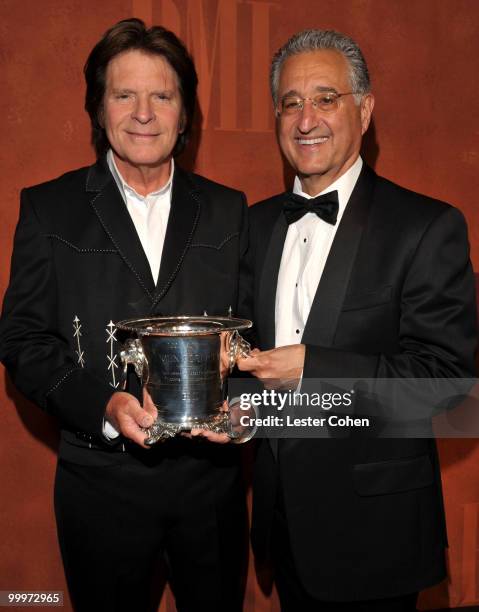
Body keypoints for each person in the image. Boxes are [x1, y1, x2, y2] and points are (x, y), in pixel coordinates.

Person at [0, 18, 250, 612]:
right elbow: (24, 340)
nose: (144, 112)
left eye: (162, 95)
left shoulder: (229, 211)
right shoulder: (49, 208)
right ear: (98, 109)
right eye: (124, 94)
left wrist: (246, 404)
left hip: (211, 486)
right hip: (99, 485)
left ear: (185, 113)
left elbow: (253, 335)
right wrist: (104, 405)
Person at [238, 29, 477, 611]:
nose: (305, 119)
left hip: (377, 534)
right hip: (283, 526)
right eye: (290, 103)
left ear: (364, 111)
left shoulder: (426, 226)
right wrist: (237, 412)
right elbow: (250, 362)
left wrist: (316, 370)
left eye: (325, 98)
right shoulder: (255, 224)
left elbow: (445, 383)